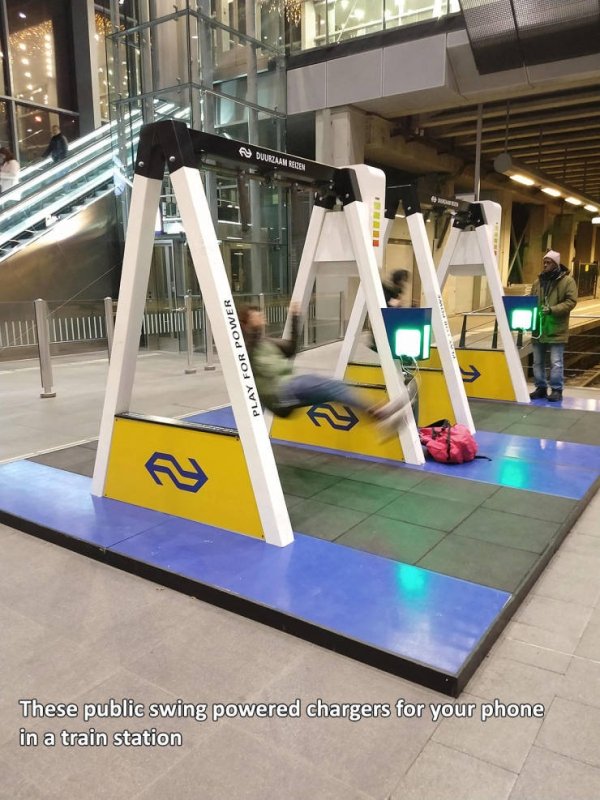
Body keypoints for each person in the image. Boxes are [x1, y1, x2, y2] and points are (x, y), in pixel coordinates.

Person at [238, 303, 411, 425]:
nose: (262, 316)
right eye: (256, 315)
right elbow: (248, 340)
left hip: (289, 390)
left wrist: (295, 318)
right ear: (246, 323)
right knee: (326, 385)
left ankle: (378, 415)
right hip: (279, 393)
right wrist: (249, 324)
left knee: (336, 387)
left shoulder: (267, 342)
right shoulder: (245, 347)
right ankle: (379, 412)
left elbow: (291, 348)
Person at [529, 249, 578, 402]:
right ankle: (541, 387)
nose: (544, 264)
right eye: (544, 262)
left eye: (548, 262)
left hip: (556, 327)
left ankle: (557, 390)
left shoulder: (568, 281)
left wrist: (552, 310)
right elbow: (531, 300)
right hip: (539, 328)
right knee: (537, 361)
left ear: (556, 264)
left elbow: (571, 301)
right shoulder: (538, 282)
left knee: (556, 362)